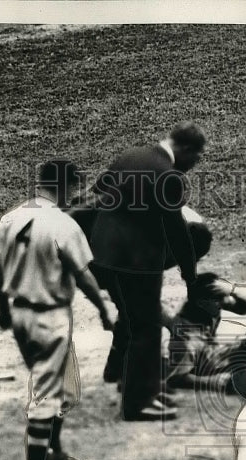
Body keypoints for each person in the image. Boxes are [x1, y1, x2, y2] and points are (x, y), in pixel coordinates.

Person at [0, 159, 115, 460]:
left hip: (20, 314)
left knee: (60, 382)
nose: (74, 196)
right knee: (47, 391)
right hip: (50, 317)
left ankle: (53, 450)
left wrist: (4, 311)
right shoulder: (63, 224)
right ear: (65, 186)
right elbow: (84, 275)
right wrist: (105, 310)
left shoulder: (10, 219)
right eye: (74, 189)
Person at [89, 122, 207, 421]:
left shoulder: (130, 156)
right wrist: (190, 274)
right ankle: (138, 402)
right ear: (185, 149)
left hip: (101, 253)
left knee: (132, 317)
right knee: (146, 326)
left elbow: (92, 197)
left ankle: (123, 376)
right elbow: (177, 231)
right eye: (197, 157)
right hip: (136, 261)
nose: (195, 164)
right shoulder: (169, 176)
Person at [164, 272, 246, 394]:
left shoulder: (207, 309)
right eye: (219, 298)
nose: (226, 301)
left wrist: (231, 289)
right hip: (200, 366)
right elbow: (175, 379)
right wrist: (212, 382)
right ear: (202, 303)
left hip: (209, 354)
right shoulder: (186, 337)